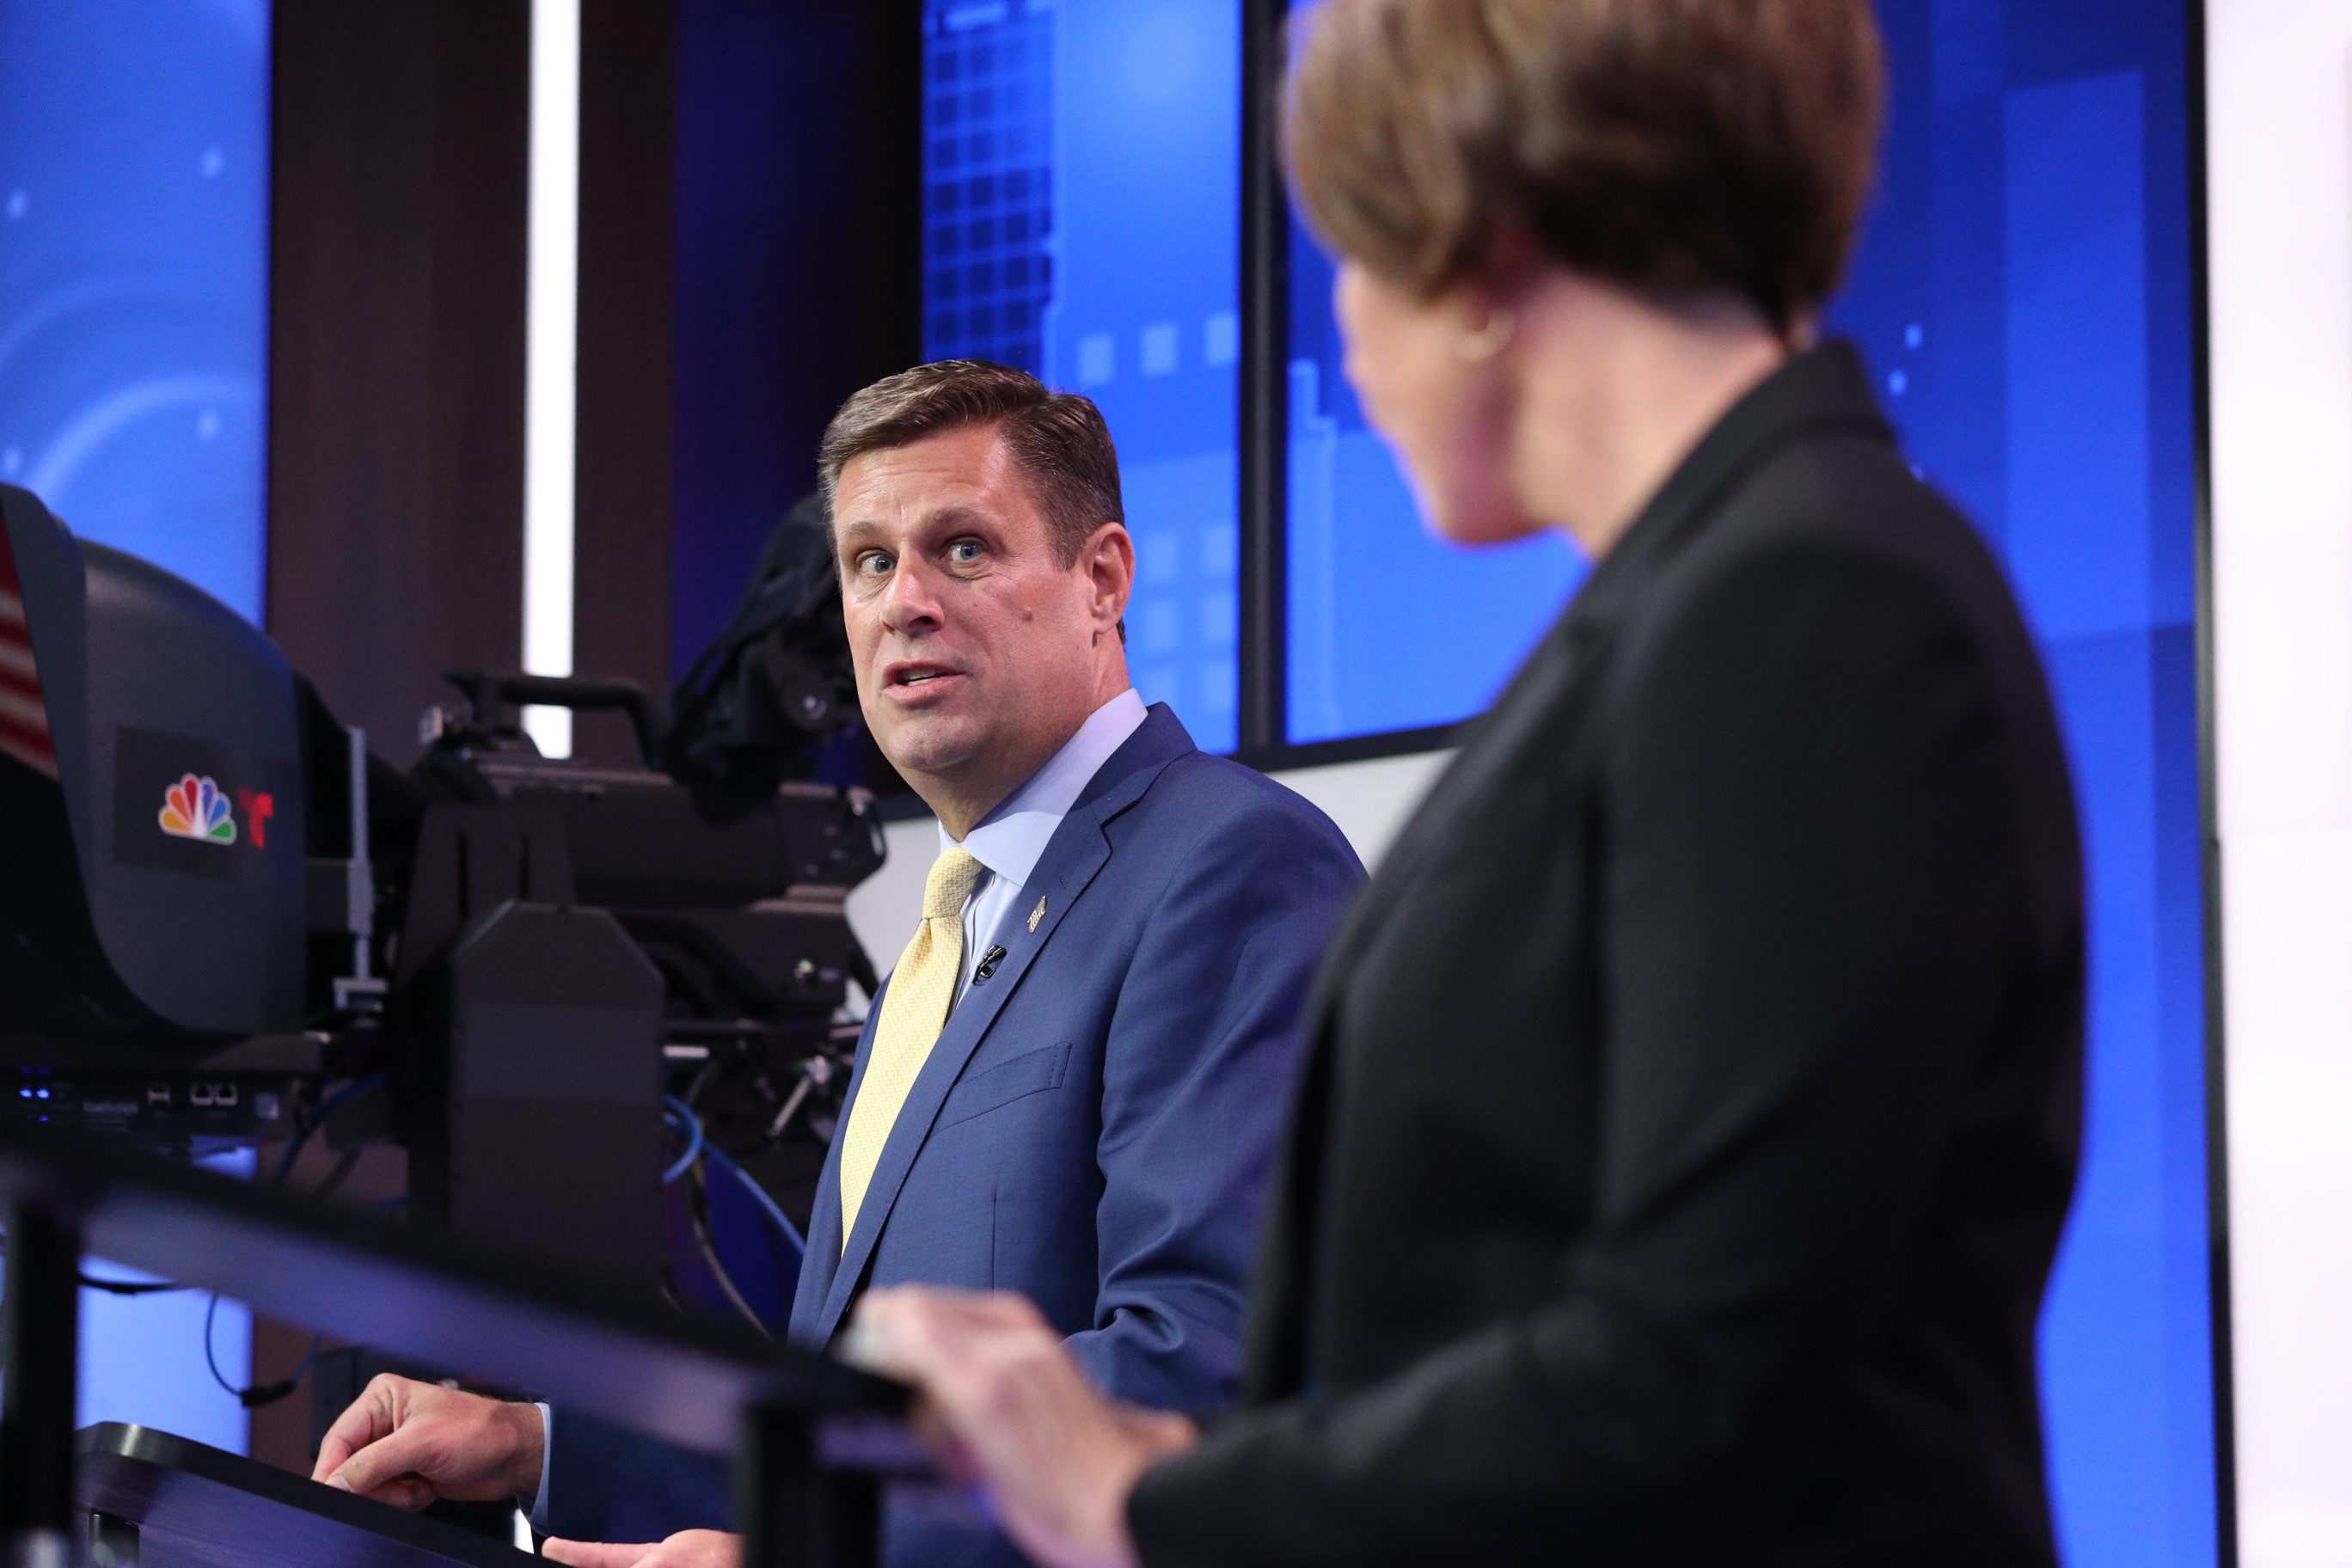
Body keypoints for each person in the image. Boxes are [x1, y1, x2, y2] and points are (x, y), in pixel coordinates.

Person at [842, 3, 2086, 1566]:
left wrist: (1131, 1495)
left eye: (1354, 255)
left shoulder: (1806, 603)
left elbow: (1693, 1368)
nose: (1347, 336)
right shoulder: (1718, 604)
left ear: (1481, 248)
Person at [310, 363, 1366, 1567]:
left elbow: (1205, 1363)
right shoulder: (947, 932)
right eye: (869, 561)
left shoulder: (1228, 865)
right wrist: (539, 1442)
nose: (902, 600)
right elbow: (842, 1425)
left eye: (962, 548)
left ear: (1103, 580)